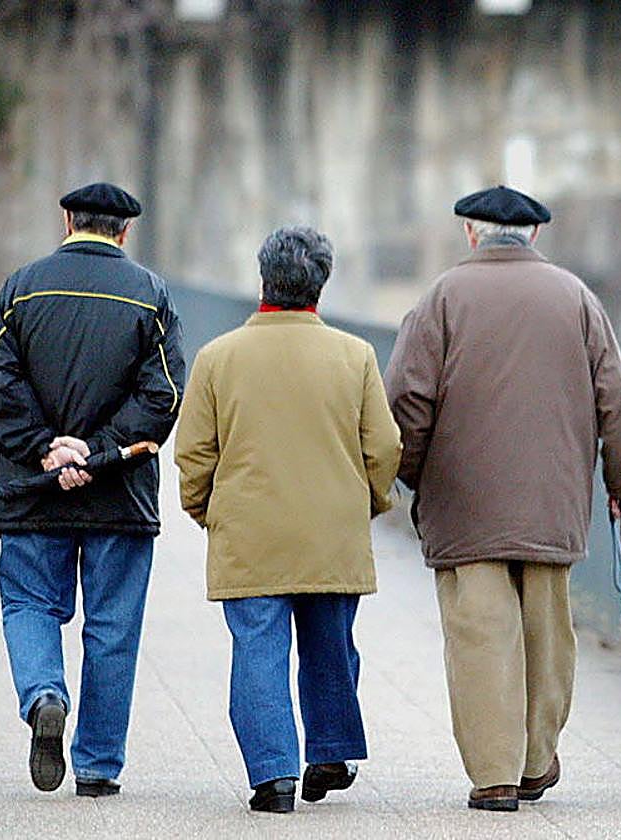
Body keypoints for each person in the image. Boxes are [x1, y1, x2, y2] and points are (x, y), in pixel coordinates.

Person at [384, 185, 621, 811]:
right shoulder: (577, 299)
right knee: (547, 635)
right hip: (551, 502)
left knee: (480, 637)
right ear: (534, 236)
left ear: (471, 235)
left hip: (464, 504)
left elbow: (406, 402)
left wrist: (412, 476)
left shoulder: (442, 299)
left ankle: (494, 775)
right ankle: (536, 764)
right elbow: (617, 398)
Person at [174, 226, 401, 814]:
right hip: (331, 529)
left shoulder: (217, 358)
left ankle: (273, 776)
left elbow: (195, 452)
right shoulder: (356, 357)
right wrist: (370, 502)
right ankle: (329, 748)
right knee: (330, 643)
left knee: (258, 650)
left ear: (263, 282)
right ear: (320, 287)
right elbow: (383, 447)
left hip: (249, 529)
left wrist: (206, 510)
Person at [0, 182, 185, 797]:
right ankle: (97, 768)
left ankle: (43, 693)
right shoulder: (151, 296)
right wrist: (100, 452)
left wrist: (45, 446)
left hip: (31, 489)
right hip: (119, 493)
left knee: (29, 603)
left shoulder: (22, 286)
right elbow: (163, 393)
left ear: (67, 219)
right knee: (113, 627)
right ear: (124, 231)